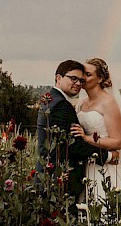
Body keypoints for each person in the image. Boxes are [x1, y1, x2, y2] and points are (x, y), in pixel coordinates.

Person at [38, 59, 114, 208]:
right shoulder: (61, 105)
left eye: (81, 80)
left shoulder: (50, 99)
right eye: (73, 78)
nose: (78, 83)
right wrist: (108, 156)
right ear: (58, 78)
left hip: (51, 176)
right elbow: (73, 146)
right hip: (59, 180)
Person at [70, 57, 121, 203]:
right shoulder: (81, 103)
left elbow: (117, 142)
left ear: (100, 78)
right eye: (83, 74)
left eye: (88, 75)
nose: (83, 79)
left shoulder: (108, 103)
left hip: (105, 166)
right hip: (86, 164)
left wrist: (87, 138)